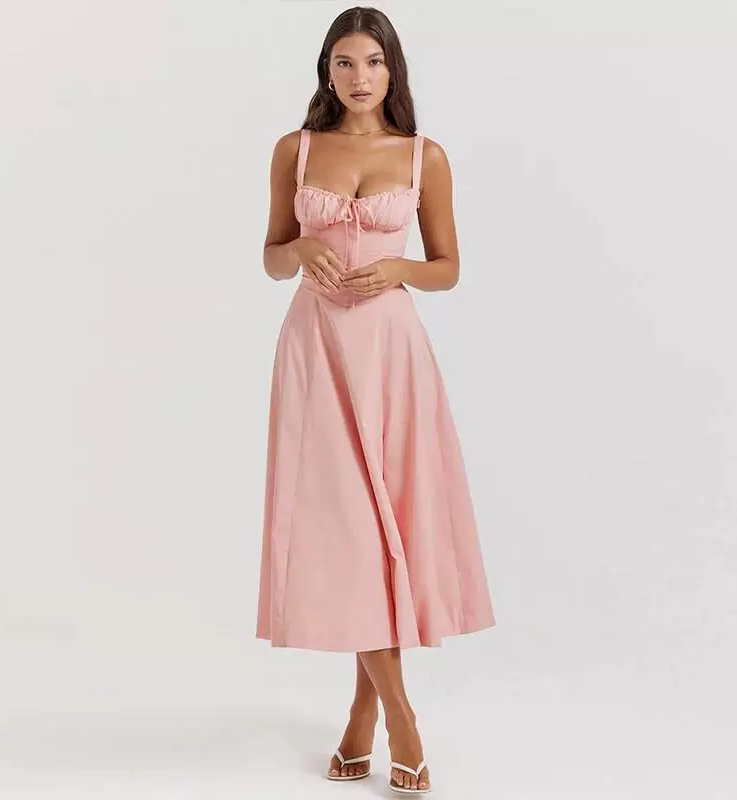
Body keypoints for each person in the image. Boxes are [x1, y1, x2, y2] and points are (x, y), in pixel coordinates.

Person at [255, 6, 496, 794]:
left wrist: (400, 270)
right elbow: (270, 258)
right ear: (326, 71)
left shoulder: (425, 156)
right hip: (316, 350)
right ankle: (401, 717)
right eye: (345, 62)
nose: (360, 78)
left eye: (374, 62)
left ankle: (362, 714)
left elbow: (448, 267)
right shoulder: (295, 149)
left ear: (394, 70)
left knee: (385, 526)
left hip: (391, 353)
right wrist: (300, 248)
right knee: (349, 529)